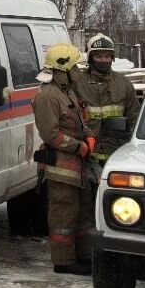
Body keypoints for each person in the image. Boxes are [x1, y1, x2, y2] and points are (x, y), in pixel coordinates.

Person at [33, 43, 96, 275]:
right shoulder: (47, 96)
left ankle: (84, 256)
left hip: (78, 168)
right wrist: (78, 146)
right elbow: (50, 135)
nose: (78, 71)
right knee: (64, 215)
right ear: (63, 69)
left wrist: (89, 138)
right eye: (75, 67)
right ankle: (64, 261)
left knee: (83, 213)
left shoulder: (66, 91)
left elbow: (80, 120)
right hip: (62, 168)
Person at [75, 35, 140, 164]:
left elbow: (135, 117)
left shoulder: (123, 84)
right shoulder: (77, 83)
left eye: (107, 56)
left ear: (112, 58)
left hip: (116, 156)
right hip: (85, 156)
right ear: (90, 58)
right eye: (98, 56)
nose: (103, 60)